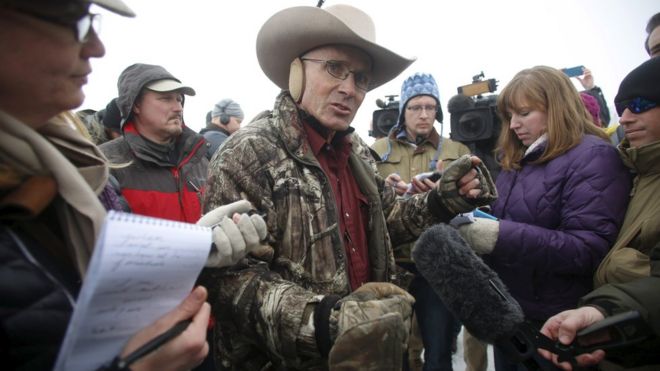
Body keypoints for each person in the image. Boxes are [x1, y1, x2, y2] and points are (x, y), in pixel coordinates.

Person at [200, 4, 497, 370]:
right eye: (335, 69)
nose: (349, 89)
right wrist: (328, 323)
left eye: (360, 78)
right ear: (296, 69)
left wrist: (441, 200)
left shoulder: (356, 150)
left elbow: (389, 220)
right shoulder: (247, 153)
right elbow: (231, 280)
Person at [0, 1, 210, 369]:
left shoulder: (82, 164)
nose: (96, 47)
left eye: (180, 99)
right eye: (73, 21)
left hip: (188, 329)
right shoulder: (109, 161)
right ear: (134, 107)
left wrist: (208, 245)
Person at [456, 66, 632, 371]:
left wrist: (496, 234)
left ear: (557, 107)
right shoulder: (521, 158)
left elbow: (587, 249)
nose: (513, 125)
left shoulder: (594, 157)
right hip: (511, 316)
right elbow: (508, 218)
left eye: (524, 113)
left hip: (557, 327)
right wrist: (470, 211)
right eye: (510, 115)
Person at [539, 56, 660, 371]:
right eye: (622, 110)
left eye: (641, 104)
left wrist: (609, 303)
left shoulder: (601, 160)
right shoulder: (634, 171)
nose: (626, 119)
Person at [371, 72, 470, 371]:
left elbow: (478, 203)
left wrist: (446, 196)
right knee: (393, 354)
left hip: (437, 263)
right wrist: (384, 190)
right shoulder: (375, 151)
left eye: (430, 107)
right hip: (392, 263)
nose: (424, 114)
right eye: (415, 107)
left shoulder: (457, 151)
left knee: (438, 353)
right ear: (403, 110)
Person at [100, 63, 208, 223]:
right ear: (136, 104)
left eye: (179, 100)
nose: (178, 108)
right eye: (166, 99)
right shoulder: (105, 163)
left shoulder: (200, 161)